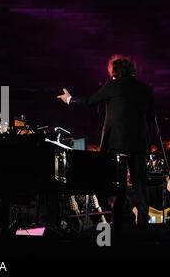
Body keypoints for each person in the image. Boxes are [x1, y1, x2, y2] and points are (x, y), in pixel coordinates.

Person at [57, 55, 155, 228]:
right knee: (140, 186)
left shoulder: (112, 86)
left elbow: (89, 101)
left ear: (115, 71)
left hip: (117, 145)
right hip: (139, 145)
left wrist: (69, 99)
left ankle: (116, 227)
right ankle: (143, 228)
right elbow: (150, 117)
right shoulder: (146, 88)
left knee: (117, 187)